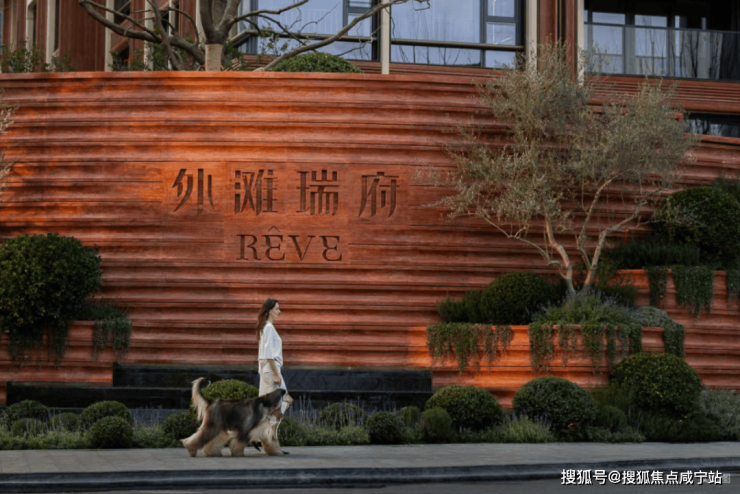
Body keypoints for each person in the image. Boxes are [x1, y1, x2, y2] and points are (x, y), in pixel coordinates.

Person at [256, 298, 293, 453]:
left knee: (276, 406)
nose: (279, 311)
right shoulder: (269, 328)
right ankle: (265, 439)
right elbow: (268, 354)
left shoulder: (266, 327)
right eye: (277, 308)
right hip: (271, 371)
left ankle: (267, 440)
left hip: (269, 370)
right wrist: (275, 374)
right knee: (280, 404)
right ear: (270, 310)